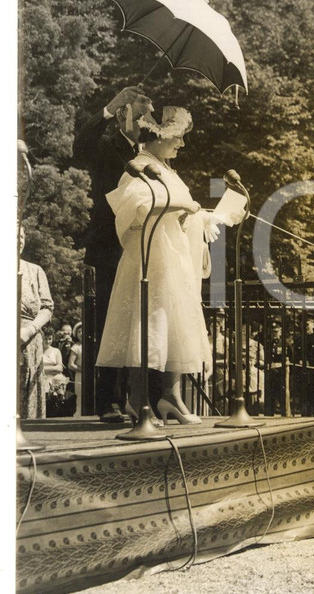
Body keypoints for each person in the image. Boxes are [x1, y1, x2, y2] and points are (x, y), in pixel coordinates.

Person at [95, 105, 217, 425]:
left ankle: (170, 396)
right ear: (160, 136)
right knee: (146, 322)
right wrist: (183, 204)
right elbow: (138, 207)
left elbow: (180, 210)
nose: (183, 144)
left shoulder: (167, 169)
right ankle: (137, 400)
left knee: (175, 323)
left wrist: (200, 216)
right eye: (178, 137)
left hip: (173, 254)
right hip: (149, 255)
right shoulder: (139, 165)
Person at [73, 85, 151, 422]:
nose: (148, 123)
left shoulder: (146, 152)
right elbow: (80, 146)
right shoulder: (106, 144)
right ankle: (108, 401)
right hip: (110, 247)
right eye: (143, 116)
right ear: (124, 115)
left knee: (136, 321)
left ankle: (137, 399)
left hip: (140, 245)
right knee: (110, 321)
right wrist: (108, 108)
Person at [19, 226, 54, 419]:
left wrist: (29, 330)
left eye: (21, 236)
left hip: (30, 340)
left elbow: (47, 307)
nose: (19, 240)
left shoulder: (35, 271)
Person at [67, 322, 84, 416]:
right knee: (80, 397)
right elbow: (71, 365)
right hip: (80, 375)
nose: (81, 333)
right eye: (79, 332)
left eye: (82, 331)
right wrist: (83, 370)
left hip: (92, 376)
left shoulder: (92, 345)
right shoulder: (75, 347)